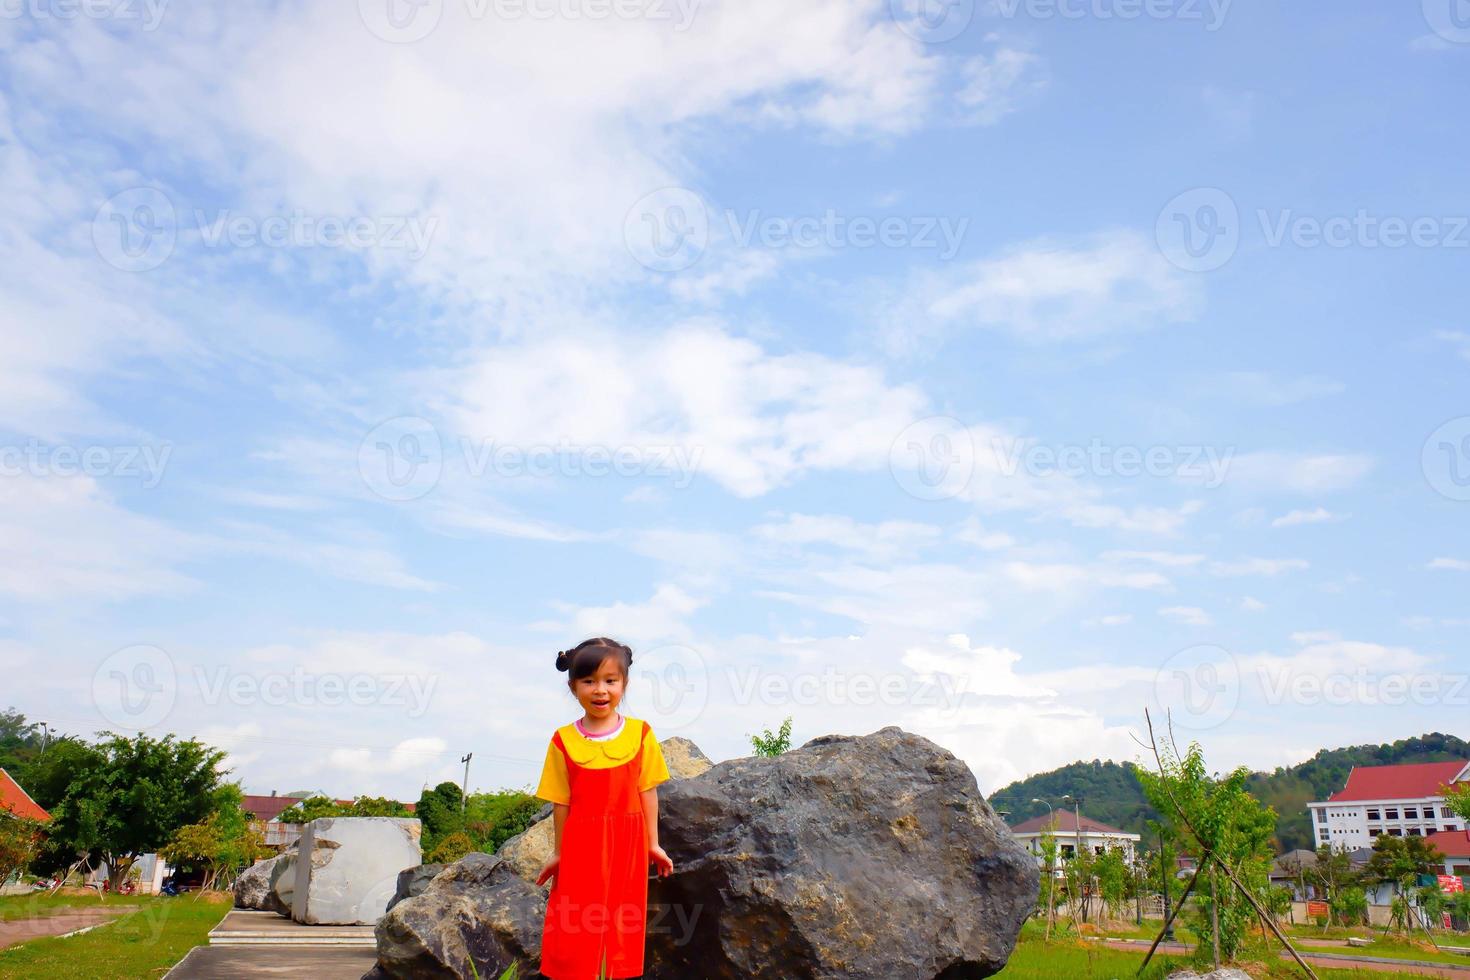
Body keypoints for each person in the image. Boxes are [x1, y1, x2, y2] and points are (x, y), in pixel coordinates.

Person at [534, 636, 675, 980]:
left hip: (627, 845)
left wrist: (652, 844)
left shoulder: (641, 734)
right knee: (574, 923)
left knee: (621, 926)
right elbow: (561, 802)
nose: (600, 690)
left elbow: (647, 792)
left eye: (610, 681)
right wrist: (559, 852)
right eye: (589, 681)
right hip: (581, 844)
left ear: (624, 685)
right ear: (573, 687)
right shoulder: (562, 740)